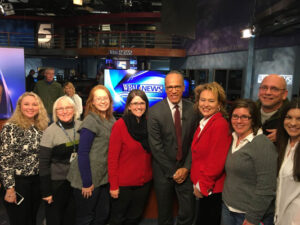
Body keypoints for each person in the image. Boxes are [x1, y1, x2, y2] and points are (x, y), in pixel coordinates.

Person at [148, 71, 198, 225]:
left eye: (177, 86)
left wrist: (186, 168)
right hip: (163, 171)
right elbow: (156, 147)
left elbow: (195, 143)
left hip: (186, 169)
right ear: (165, 88)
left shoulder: (194, 110)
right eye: (170, 87)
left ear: (183, 87)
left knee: (188, 212)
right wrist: (173, 172)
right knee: (164, 214)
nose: (173, 90)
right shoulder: (154, 112)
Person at [222, 99, 277, 225]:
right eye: (235, 116)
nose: (239, 121)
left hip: (248, 215)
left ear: (253, 119)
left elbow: (267, 187)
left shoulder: (263, 145)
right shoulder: (232, 137)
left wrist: (253, 217)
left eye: (245, 117)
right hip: (227, 208)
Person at [67, 85, 116, 225]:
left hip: (103, 176)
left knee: (103, 214)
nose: (102, 101)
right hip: (87, 177)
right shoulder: (90, 120)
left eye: (105, 98)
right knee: (86, 217)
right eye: (98, 98)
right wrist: (87, 182)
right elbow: (82, 153)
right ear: (92, 102)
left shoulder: (111, 119)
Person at [0, 92, 49, 225]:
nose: (30, 107)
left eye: (34, 104)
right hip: (18, 183)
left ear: (39, 107)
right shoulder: (11, 128)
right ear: (20, 107)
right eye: (26, 104)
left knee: (33, 218)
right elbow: (5, 160)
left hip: (37, 181)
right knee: (19, 220)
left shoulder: (42, 127)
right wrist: (9, 189)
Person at [108, 89, 152, 225]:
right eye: (134, 103)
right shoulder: (120, 125)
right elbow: (112, 158)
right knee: (118, 218)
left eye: (142, 103)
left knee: (135, 217)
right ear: (128, 106)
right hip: (123, 184)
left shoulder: (150, 124)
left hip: (144, 182)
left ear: (146, 104)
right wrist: (114, 185)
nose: (138, 106)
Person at [191, 82, 232, 225]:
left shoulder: (220, 124)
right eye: (203, 100)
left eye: (211, 101)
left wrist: (202, 185)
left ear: (219, 104)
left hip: (211, 189)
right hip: (204, 186)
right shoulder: (205, 121)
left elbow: (217, 161)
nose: (206, 104)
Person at [39, 96, 81, 225]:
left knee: (72, 216)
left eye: (68, 107)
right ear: (56, 112)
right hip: (56, 183)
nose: (64, 111)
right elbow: (43, 164)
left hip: (76, 181)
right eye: (60, 109)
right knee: (55, 218)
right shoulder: (50, 132)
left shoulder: (81, 125)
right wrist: (46, 191)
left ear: (74, 110)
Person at [274, 99, 300, 225]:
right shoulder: (284, 145)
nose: (293, 123)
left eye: (299, 119)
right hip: (280, 218)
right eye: (289, 117)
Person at [257, 74, 288, 142]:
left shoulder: (292, 116)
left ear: (284, 94)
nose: (268, 92)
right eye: (264, 88)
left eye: (274, 89)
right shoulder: (249, 111)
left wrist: (286, 135)